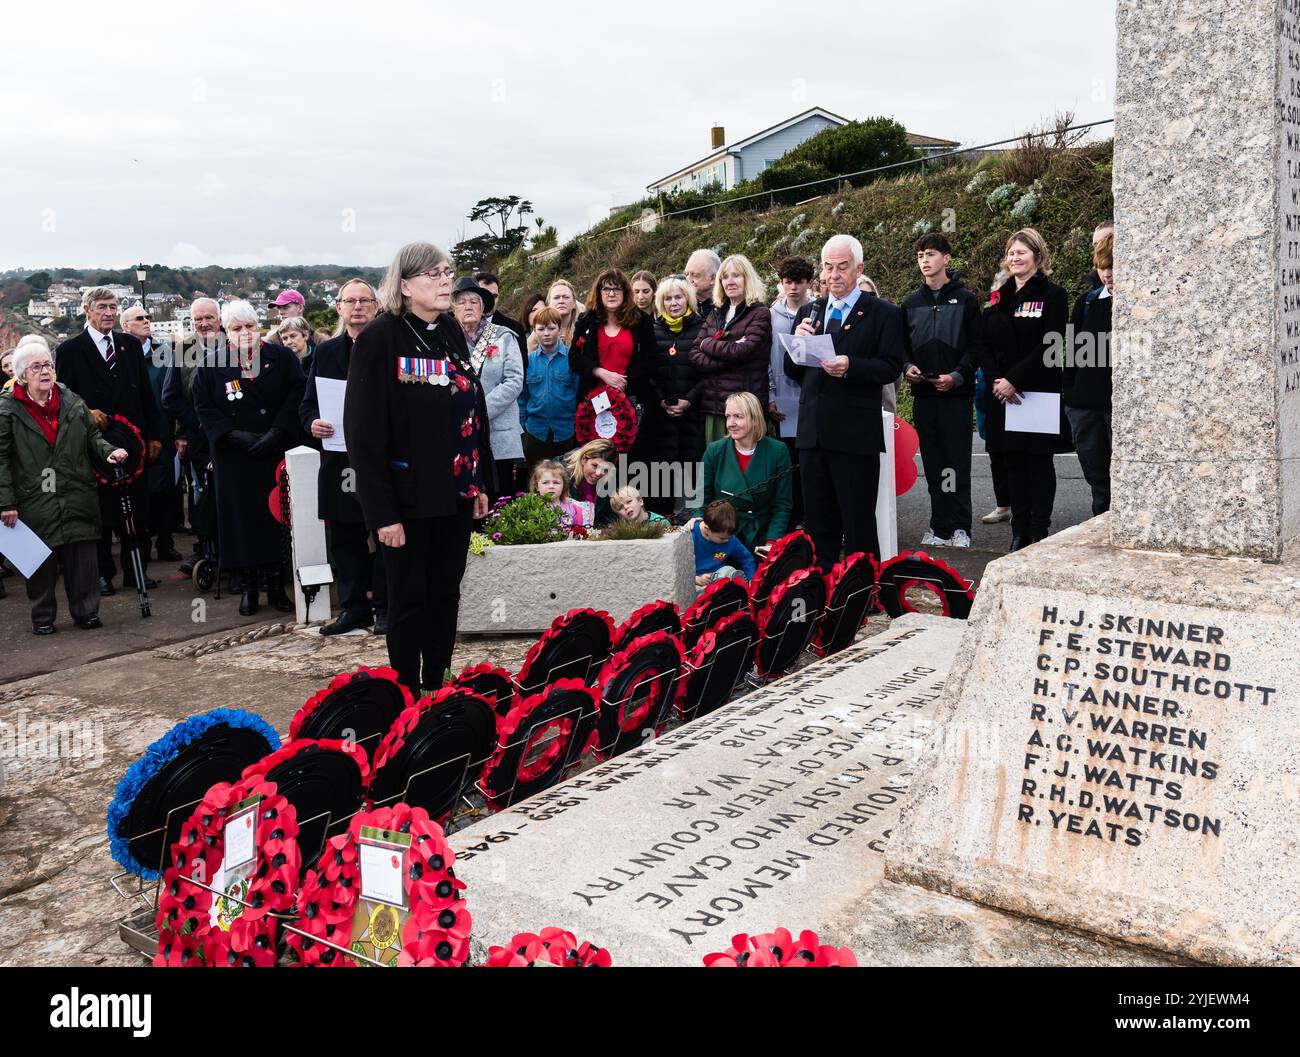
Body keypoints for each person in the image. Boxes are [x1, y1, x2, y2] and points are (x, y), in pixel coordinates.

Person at [343, 241, 495, 693]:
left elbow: (472, 413)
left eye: (448, 271)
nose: (446, 280)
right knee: (409, 601)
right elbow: (363, 436)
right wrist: (381, 514)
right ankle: (408, 692)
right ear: (405, 285)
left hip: (455, 493)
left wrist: (478, 480)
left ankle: (438, 682)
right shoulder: (379, 338)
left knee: (446, 595)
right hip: (407, 501)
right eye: (434, 274)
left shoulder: (449, 331)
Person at [785, 234, 906, 571]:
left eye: (842, 267)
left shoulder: (883, 313)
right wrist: (797, 343)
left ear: (858, 269)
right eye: (827, 267)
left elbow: (891, 366)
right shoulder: (810, 311)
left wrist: (851, 365)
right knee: (819, 523)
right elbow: (791, 370)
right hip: (812, 434)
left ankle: (863, 590)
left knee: (858, 522)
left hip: (854, 435)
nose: (833, 275)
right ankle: (822, 586)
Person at [0, 341, 128, 632]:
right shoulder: (7, 409)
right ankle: (43, 618)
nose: (45, 371)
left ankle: (86, 612)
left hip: (75, 488)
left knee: (82, 556)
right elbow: (1, 459)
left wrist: (108, 451)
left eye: (48, 365)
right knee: (40, 562)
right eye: (37, 367)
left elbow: (92, 435)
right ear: (21, 375)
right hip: (34, 495)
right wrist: (5, 502)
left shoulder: (70, 400)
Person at [192, 300, 304, 615]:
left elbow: (297, 394)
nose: (245, 333)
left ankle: (276, 587)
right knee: (242, 522)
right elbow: (203, 405)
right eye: (237, 328)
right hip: (235, 456)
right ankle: (249, 588)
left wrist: (277, 431)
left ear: (259, 327)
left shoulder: (281, 358)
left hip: (274, 451)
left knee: (275, 520)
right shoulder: (212, 365)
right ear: (226, 332)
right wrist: (232, 434)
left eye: (250, 327)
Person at [55, 286, 164, 596]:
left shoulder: (129, 345)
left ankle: (136, 572)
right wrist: (85, 413)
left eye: (114, 307)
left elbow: (147, 395)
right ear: (87, 310)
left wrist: (155, 436)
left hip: (134, 444)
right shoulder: (70, 351)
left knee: (139, 512)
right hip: (95, 445)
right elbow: (63, 400)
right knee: (100, 515)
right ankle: (103, 573)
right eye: (102, 307)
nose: (109, 313)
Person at [301, 277, 388, 636]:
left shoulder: (390, 348)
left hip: (382, 459)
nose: (357, 307)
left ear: (376, 306)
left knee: (386, 533)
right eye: (349, 301)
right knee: (344, 538)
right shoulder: (325, 352)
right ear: (339, 308)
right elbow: (306, 405)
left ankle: (385, 606)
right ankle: (354, 608)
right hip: (338, 460)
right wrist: (313, 424)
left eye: (364, 301)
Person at [979, 228, 1072, 550]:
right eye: (1011, 253)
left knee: (1038, 462)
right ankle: (1019, 531)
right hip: (1002, 395)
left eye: (1022, 252)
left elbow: (1052, 344)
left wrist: (1014, 380)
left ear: (1037, 256)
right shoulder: (998, 296)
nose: (1015, 258)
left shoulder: (1053, 294)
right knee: (1013, 463)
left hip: (1036, 392)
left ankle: (1038, 529)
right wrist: (997, 381)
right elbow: (983, 343)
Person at [902, 232, 981, 549]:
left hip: (956, 398)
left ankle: (961, 527)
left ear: (946, 258)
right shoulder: (910, 303)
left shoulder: (966, 300)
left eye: (931, 254)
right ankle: (939, 526)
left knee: (957, 464)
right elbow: (901, 349)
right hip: (924, 398)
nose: (925, 260)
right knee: (934, 466)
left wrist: (958, 376)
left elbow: (976, 348)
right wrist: (908, 368)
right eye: (920, 255)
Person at [568, 271, 658, 453]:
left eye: (616, 289)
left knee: (630, 460)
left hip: (631, 400)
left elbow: (652, 360)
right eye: (606, 289)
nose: (611, 294)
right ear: (598, 293)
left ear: (625, 293)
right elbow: (574, 358)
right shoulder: (586, 321)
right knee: (596, 458)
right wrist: (600, 372)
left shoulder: (642, 321)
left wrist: (623, 380)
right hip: (594, 403)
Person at [688, 253, 773, 444]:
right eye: (725, 277)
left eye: (736, 275)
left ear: (747, 278)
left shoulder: (760, 313)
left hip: (745, 409)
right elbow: (694, 354)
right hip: (715, 407)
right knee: (718, 467)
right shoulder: (715, 314)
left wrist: (707, 344)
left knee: (746, 469)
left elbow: (742, 352)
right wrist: (729, 352)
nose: (730, 281)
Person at [121, 305, 183, 562]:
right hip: (133, 435)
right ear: (125, 325)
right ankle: (141, 548)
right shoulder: (120, 355)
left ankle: (166, 542)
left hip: (165, 431)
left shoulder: (166, 353)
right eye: (139, 318)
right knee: (140, 493)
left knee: (167, 491)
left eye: (147, 317)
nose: (147, 321)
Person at [453, 278, 524, 498]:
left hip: (499, 433)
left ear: (483, 306)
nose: (468, 306)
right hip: (462, 435)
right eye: (462, 302)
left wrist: (480, 409)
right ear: (453, 308)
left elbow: (514, 381)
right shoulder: (448, 340)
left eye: (474, 301)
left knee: (500, 499)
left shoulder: (503, 336)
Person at [698, 390, 792, 554]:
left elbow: (782, 505)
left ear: (755, 420)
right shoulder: (714, 451)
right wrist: (700, 524)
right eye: (728, 416)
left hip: (761, 539)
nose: (730, 423)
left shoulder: (778, 451)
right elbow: (700, 501)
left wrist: (771, 542)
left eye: (738, 417)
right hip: (720, 538)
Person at [646, 275, 706, 518]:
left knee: (693, 467)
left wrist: (690, 399)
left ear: (688, 299)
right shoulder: (653, 330)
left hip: (694, 414)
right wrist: (661, 399)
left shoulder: (703, 327)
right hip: (663, 417)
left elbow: (708, 371)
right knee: (665, 472)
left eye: (678, 297)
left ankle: (692, 519)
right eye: (668, 298)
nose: (674, 303)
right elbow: (648, 372)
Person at [1065, 230, 1114, 515]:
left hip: (1116, 407)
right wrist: (1070, 395)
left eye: (1113, 266)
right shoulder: (1086, 302)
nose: (1107, 274)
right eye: (1102, 267)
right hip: (1084, 406)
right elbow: (1070, 351)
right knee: (1097, 477)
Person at [769, 255, 813, 526]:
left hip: (810, 400)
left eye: (798, 282)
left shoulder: (818, 310)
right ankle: (793, 519)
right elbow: (767, 360)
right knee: (788, 464)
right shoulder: (771, 316)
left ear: (809, 282)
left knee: (811, 465)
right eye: (787, 282)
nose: (793, 287)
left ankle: (812, 518)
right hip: (783, 401)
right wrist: (770, 395)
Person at [518, 307, 579, 469]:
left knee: (567, 480)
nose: (546, 333)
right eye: (541, 329)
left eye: (551, 328)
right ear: (534, 331)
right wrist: (523, 426)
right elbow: (522, 397)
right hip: (535, 432)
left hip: (566, 432)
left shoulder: (572, 359)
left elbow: (580, 393)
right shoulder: (528, 362)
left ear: (560, 330)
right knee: (536, 483)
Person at [976, 271, 1013, 525]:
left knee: (1019, 455)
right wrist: (996, 379)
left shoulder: (1021, 316)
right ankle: (1003, 506)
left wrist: (1013, 380)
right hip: (992, 389)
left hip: (1019, 387)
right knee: (996, 453)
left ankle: (1023, 506)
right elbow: (982, 348)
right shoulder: (987, 316)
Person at [691, 499, 756, 589]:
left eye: (729, 537)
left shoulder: (730, 539)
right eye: (722, 538)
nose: (726, 541)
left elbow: (746, 558)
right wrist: (695, 579)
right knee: (697, 591)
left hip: (719, 576)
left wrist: (752, 579)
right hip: (697, 580)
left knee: (728, 570)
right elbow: (677, 567)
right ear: (707, 528)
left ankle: (736, 585)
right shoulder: (691, 536)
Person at [564, 438, 617, 527]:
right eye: (595, 466)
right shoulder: (559, 475)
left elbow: (610, 517)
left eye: (605, 470)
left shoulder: (610, 481)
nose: (598, 473)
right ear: (584, 459)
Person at [473, 271, 528, 353]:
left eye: (494, 296)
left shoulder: (515, 329)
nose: (491, 301)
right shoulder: (457, 327)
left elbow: (522, 364)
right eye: (485, 296)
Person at [529, 458, 584, 532]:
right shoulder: (532, 508)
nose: (551, 486)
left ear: (563, 486)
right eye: (545, 483)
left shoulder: (573, 508)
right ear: (537, 486)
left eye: (556, 483)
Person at [546, 279, 584, 347]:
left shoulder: (584, 328)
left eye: (566, 297)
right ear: (549, 303)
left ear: (573, 303)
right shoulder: (541, 329)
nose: (561, 301)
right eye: (556, 297)